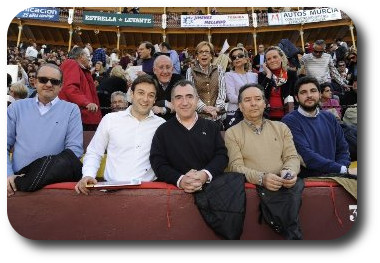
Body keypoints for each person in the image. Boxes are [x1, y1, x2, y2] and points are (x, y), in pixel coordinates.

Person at [224, 84, 302, 239]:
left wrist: (290, 171)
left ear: (265, 103)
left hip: (285, 186)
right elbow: (235, 166)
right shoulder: (232, 133)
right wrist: (261, 178)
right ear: (240, 106)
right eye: (247, 100)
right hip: (258, 190)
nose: (253, 103)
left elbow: (292, 157)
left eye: (258, 99)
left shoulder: (281, 127)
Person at [75, 75, 166, 195]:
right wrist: (88, 175)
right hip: (113, 192)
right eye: (141, 93)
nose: (145, 99)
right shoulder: (110, 120)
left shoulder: (161, 125)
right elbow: (94, 152)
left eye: (151, 95)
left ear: (154, 99)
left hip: (147, 192)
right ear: (131, 95)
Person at [7, 63, 83, 196]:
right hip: (17, 180)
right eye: (43, 80)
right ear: (35, 82)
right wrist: (7, 174)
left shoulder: (71, 110)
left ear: (61, 86)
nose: (48, 84)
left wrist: (44, 174)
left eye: (54, 81)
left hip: (54, 182)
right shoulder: (16, 108)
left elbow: (74, 150)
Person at [150, 80, 228, 192]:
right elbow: (158, 162)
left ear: (197, 100)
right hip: (174, 195)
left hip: (212, 193)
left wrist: (205, 174)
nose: (184, 102)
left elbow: (221, 156)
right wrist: (180, 180)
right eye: (178, 97)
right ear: (172, 102)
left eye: (189, 96)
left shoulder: (212, 127)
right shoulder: (163, 131)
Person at [282, 76, 356, 177]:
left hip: (336, 177)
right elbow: (306, 156)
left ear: (319, 94)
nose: (309, 95)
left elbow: (343, 149)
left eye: (313, 91)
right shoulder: (289, 121)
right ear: (296, 98)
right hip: (310, 182)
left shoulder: (329, 117)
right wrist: (341, 169)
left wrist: (340, 170)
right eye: (303, 92)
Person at [59, 46, 102, 131]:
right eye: (87, 56)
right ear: (81, 56)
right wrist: (86, 103)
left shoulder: (80, 68)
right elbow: (70, 88)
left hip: (82, 115)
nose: (89, 59)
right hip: (80, 115)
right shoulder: (71, 63)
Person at [186, 41, 226, 127]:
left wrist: (216, 108)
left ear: (211, 55)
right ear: (197, 56)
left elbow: (222, 92)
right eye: (200, 52)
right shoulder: (190, 71)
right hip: (198, 118)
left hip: (217, 116)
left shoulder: (219, 69)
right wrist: (205, 108)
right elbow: (192, 94)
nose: (204, 54)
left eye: (207, 52)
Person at [259, 46, 298, 120]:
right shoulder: (262, 76)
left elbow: (296, 94)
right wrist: (268, 75)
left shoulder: (291, 74)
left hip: (288, 116)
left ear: (281, 58)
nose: (272, 60)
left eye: (275, 57)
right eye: (269, 59)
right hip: (267, 117)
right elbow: (260, 93)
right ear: (265, 62)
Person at [224, 46, 258, 129]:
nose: (237, 58)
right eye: (233, 57)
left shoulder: (254, 76)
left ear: (246, 59)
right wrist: (249, 100)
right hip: (235, 112)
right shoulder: (228, 75)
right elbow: (231, 97)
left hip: (253, 112)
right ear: (232, 61)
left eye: (240, 55)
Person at [152, 55, 184, 120]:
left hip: (177, 121)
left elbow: (183, 104)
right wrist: (164, 102)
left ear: (172, 69)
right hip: (153, 122)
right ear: (154, 70)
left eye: (168, 67)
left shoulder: (180, 81)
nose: (165, 71)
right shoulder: (150, 82)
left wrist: (163, 109)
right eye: (161, 67)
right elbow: (147, 103)